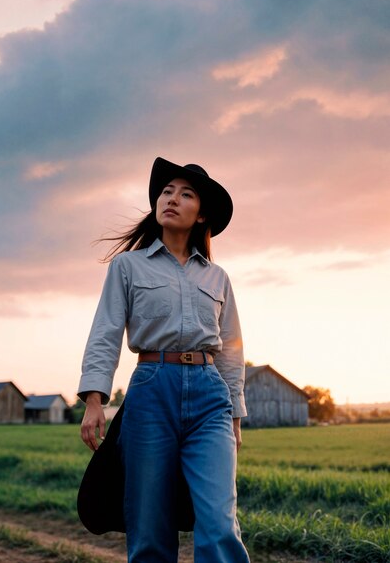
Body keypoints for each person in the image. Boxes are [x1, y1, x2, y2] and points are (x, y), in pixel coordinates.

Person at [78, 157, 250, 563]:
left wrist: (235, 418)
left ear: (202, 213)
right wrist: (94, 398)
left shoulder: (217, 277)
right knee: (150, 526)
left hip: (211, 399)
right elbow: (105, 331)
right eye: (166, 191)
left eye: (185, 194)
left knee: (220, 523)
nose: (171, 198)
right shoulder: (127, 266)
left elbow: (230, 350)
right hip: (151, 392)